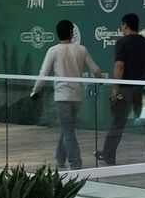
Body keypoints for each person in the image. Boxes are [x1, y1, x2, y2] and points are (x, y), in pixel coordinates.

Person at [30, 19, 104, 170]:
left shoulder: (53, 50)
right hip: (77, 95)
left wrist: (35, 91)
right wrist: (101, 80)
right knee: (67, 128)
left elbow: (43, 74)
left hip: (62, 96)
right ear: (72, 32)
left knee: (67, 130)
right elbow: (96, 69)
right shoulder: (81, 49)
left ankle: (75, 164)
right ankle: (60, 158)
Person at [95, 13, 145, 165]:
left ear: (125, 25)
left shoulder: (122, 43)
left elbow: (119, 66)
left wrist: (115, 88)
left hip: (126, 88)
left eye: (122, 25)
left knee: (118, 123)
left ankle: (108, 155)